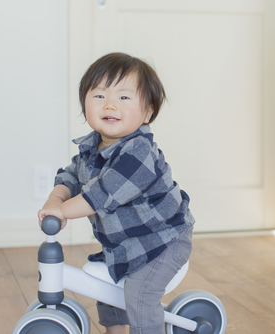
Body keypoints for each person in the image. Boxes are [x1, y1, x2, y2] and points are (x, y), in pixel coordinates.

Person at [38, 52, 194, 334]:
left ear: (147, 111)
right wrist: (55, 199)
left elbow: (101, 195)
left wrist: (63, 212)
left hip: (162, 241)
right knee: (108, 284)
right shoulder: (92, 146)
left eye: (124, 97)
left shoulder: (139, 153)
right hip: (126, 243)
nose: (110, 104)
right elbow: (70, 175)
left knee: (140, 296)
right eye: (99, 96)